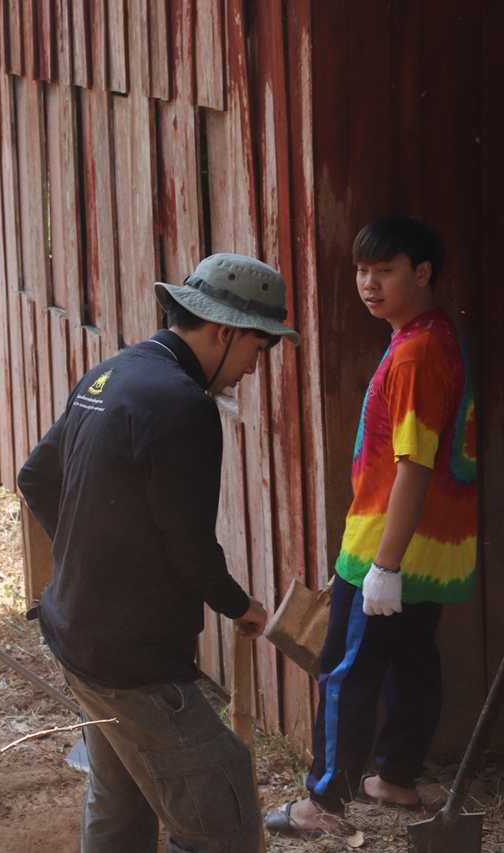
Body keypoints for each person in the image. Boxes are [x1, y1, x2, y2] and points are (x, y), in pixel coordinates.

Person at [18, 253, 300, 853]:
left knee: (121, 807)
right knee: (225, 821)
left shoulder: (111, 373)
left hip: (73, 632)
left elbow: (36, 477)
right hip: (131, 661)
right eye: (260, 346)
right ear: (225, 331)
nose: (256, 366)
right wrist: (238, 603)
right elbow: (187, 542)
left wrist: (86, 553)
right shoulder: (183, 405)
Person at [266, 217, 478, 838]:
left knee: (347, 672)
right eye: (362, 270)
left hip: (392, 548)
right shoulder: (436, 335)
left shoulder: (414, 353)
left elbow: (413, 468)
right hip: (435, 551)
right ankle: (395, 778)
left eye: (386, 270)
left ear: (423, 272)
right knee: (412, 664)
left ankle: (322, 804)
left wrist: (383, 567)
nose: (368, 283)